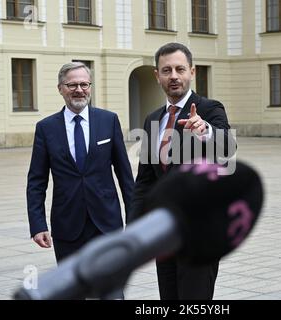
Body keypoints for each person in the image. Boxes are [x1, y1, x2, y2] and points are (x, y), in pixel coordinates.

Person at [129, 42, 236, 300]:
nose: (174, 76)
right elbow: (144, 180)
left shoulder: (210, 109)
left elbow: (228, 147)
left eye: (180, 69)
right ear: (157, 76)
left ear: (192, 72)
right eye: (166, 70)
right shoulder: (153, 119)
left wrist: (206, 131)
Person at [26, 62, 134, 272]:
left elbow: (125, 175)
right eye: (72, 85)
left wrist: (134, 217)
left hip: (107, 224)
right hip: (67, 226)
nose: (79, 90)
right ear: (60, 88)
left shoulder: (108, 120)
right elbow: (36, 182)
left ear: (90, 87)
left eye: (84, 84)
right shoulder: (46, 128)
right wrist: (38, 225)